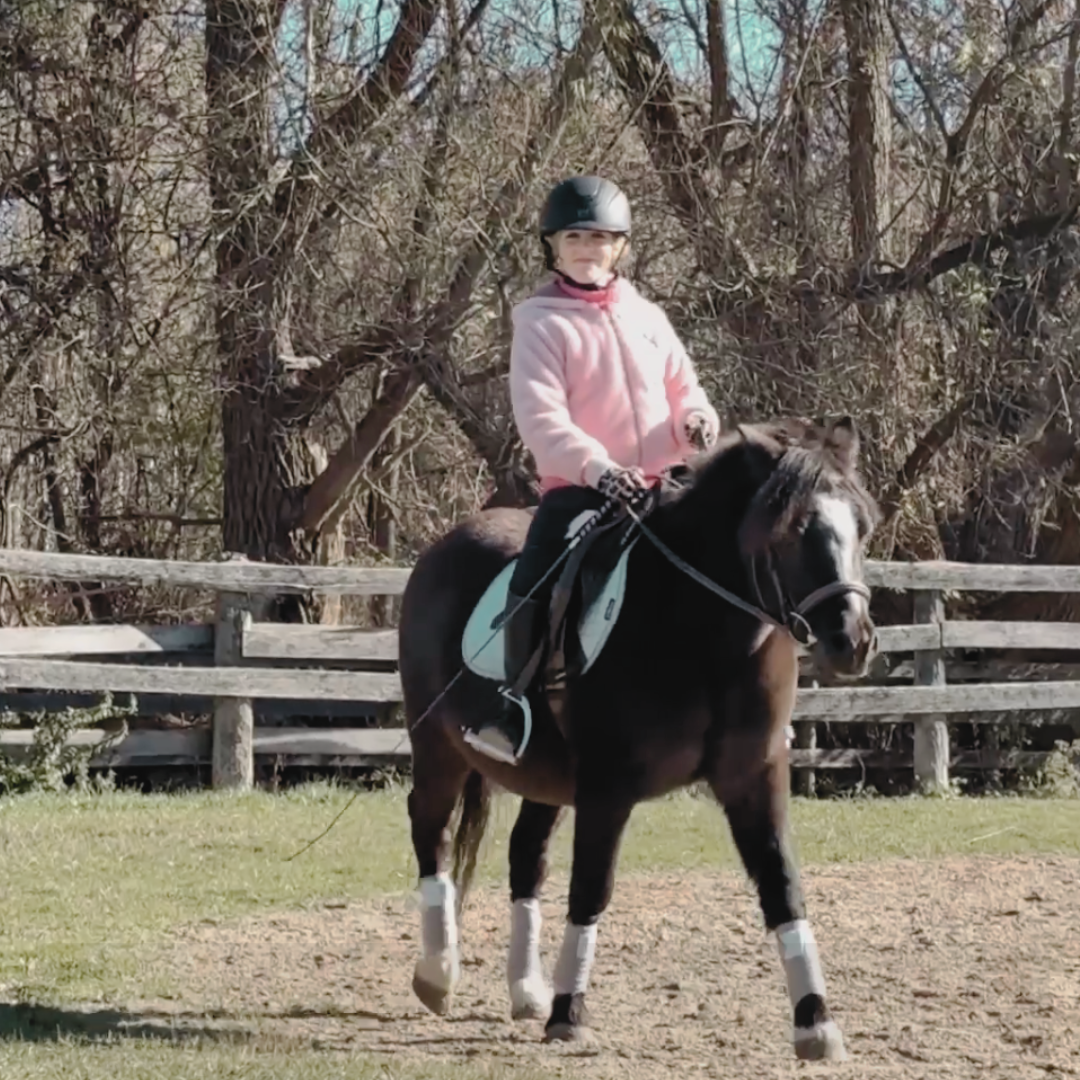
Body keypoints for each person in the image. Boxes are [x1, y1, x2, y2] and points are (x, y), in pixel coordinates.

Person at [463, 175, 720, 765]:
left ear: (621, 247)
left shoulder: (649, 317)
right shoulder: (539, 321)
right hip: (584, 491)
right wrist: (599, 469)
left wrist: (697, 422)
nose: (588, 248)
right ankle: (514, 705)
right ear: (552, 245)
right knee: (538, 576)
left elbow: (686, 390)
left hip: (665, 485)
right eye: (575, 236)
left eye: (601, 238)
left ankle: (741, 703)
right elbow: (541, 418)